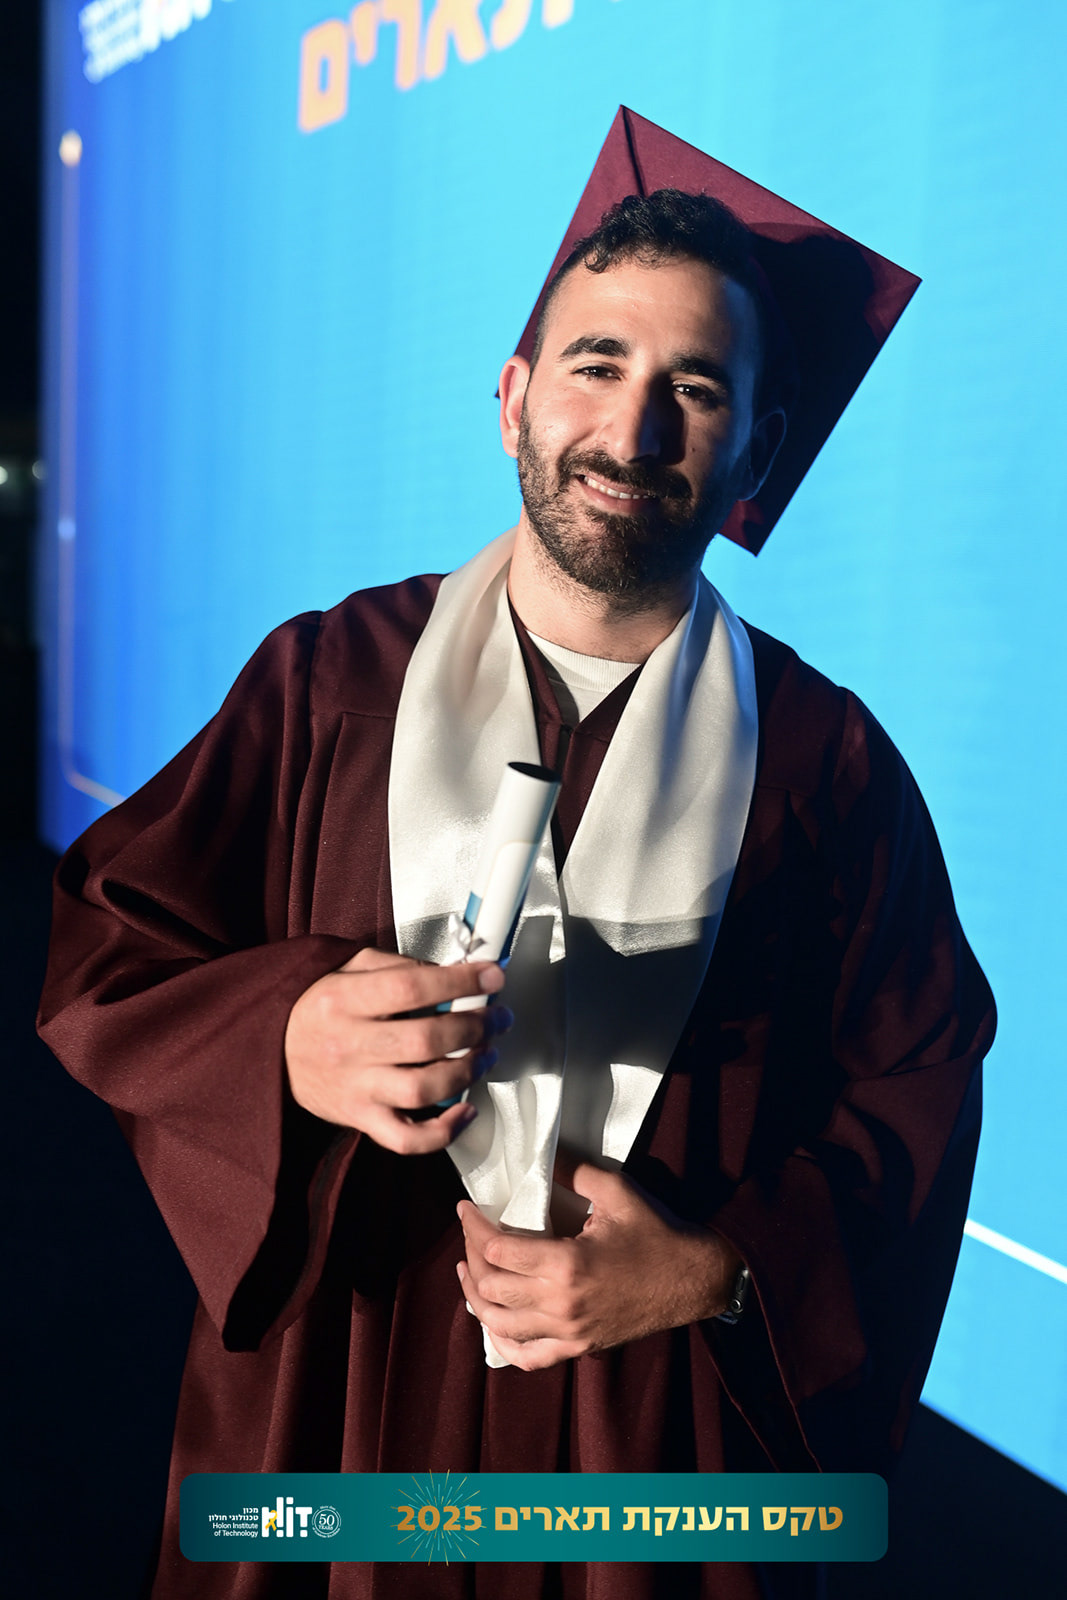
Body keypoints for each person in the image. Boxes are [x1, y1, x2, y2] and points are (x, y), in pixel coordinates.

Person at [38, 114, 995, 1600]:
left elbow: (917, 1089)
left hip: (651, 1447)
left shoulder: (825, 763)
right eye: (595, 366)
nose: (632, 431)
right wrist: (282, 1036)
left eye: (695, 389)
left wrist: (722, 1271)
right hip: (345, 1401)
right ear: (513, 398)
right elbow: (111, 942)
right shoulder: (331, 679)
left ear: (758, 449)